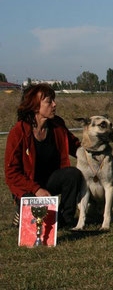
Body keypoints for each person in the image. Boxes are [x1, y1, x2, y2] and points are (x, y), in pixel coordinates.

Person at [5, 84, 83, 228]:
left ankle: (66, 219)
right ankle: (21, 210)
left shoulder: (58, 125)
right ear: (35, 106)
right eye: (49, 101)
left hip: (50, 182)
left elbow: (76, 146)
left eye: (54, 100)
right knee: (34, 224)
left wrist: (95, 150)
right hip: (28, 187)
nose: (54, 104)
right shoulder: (18, 132)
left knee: (72, 174)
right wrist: (35, 189)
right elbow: (11, 174)